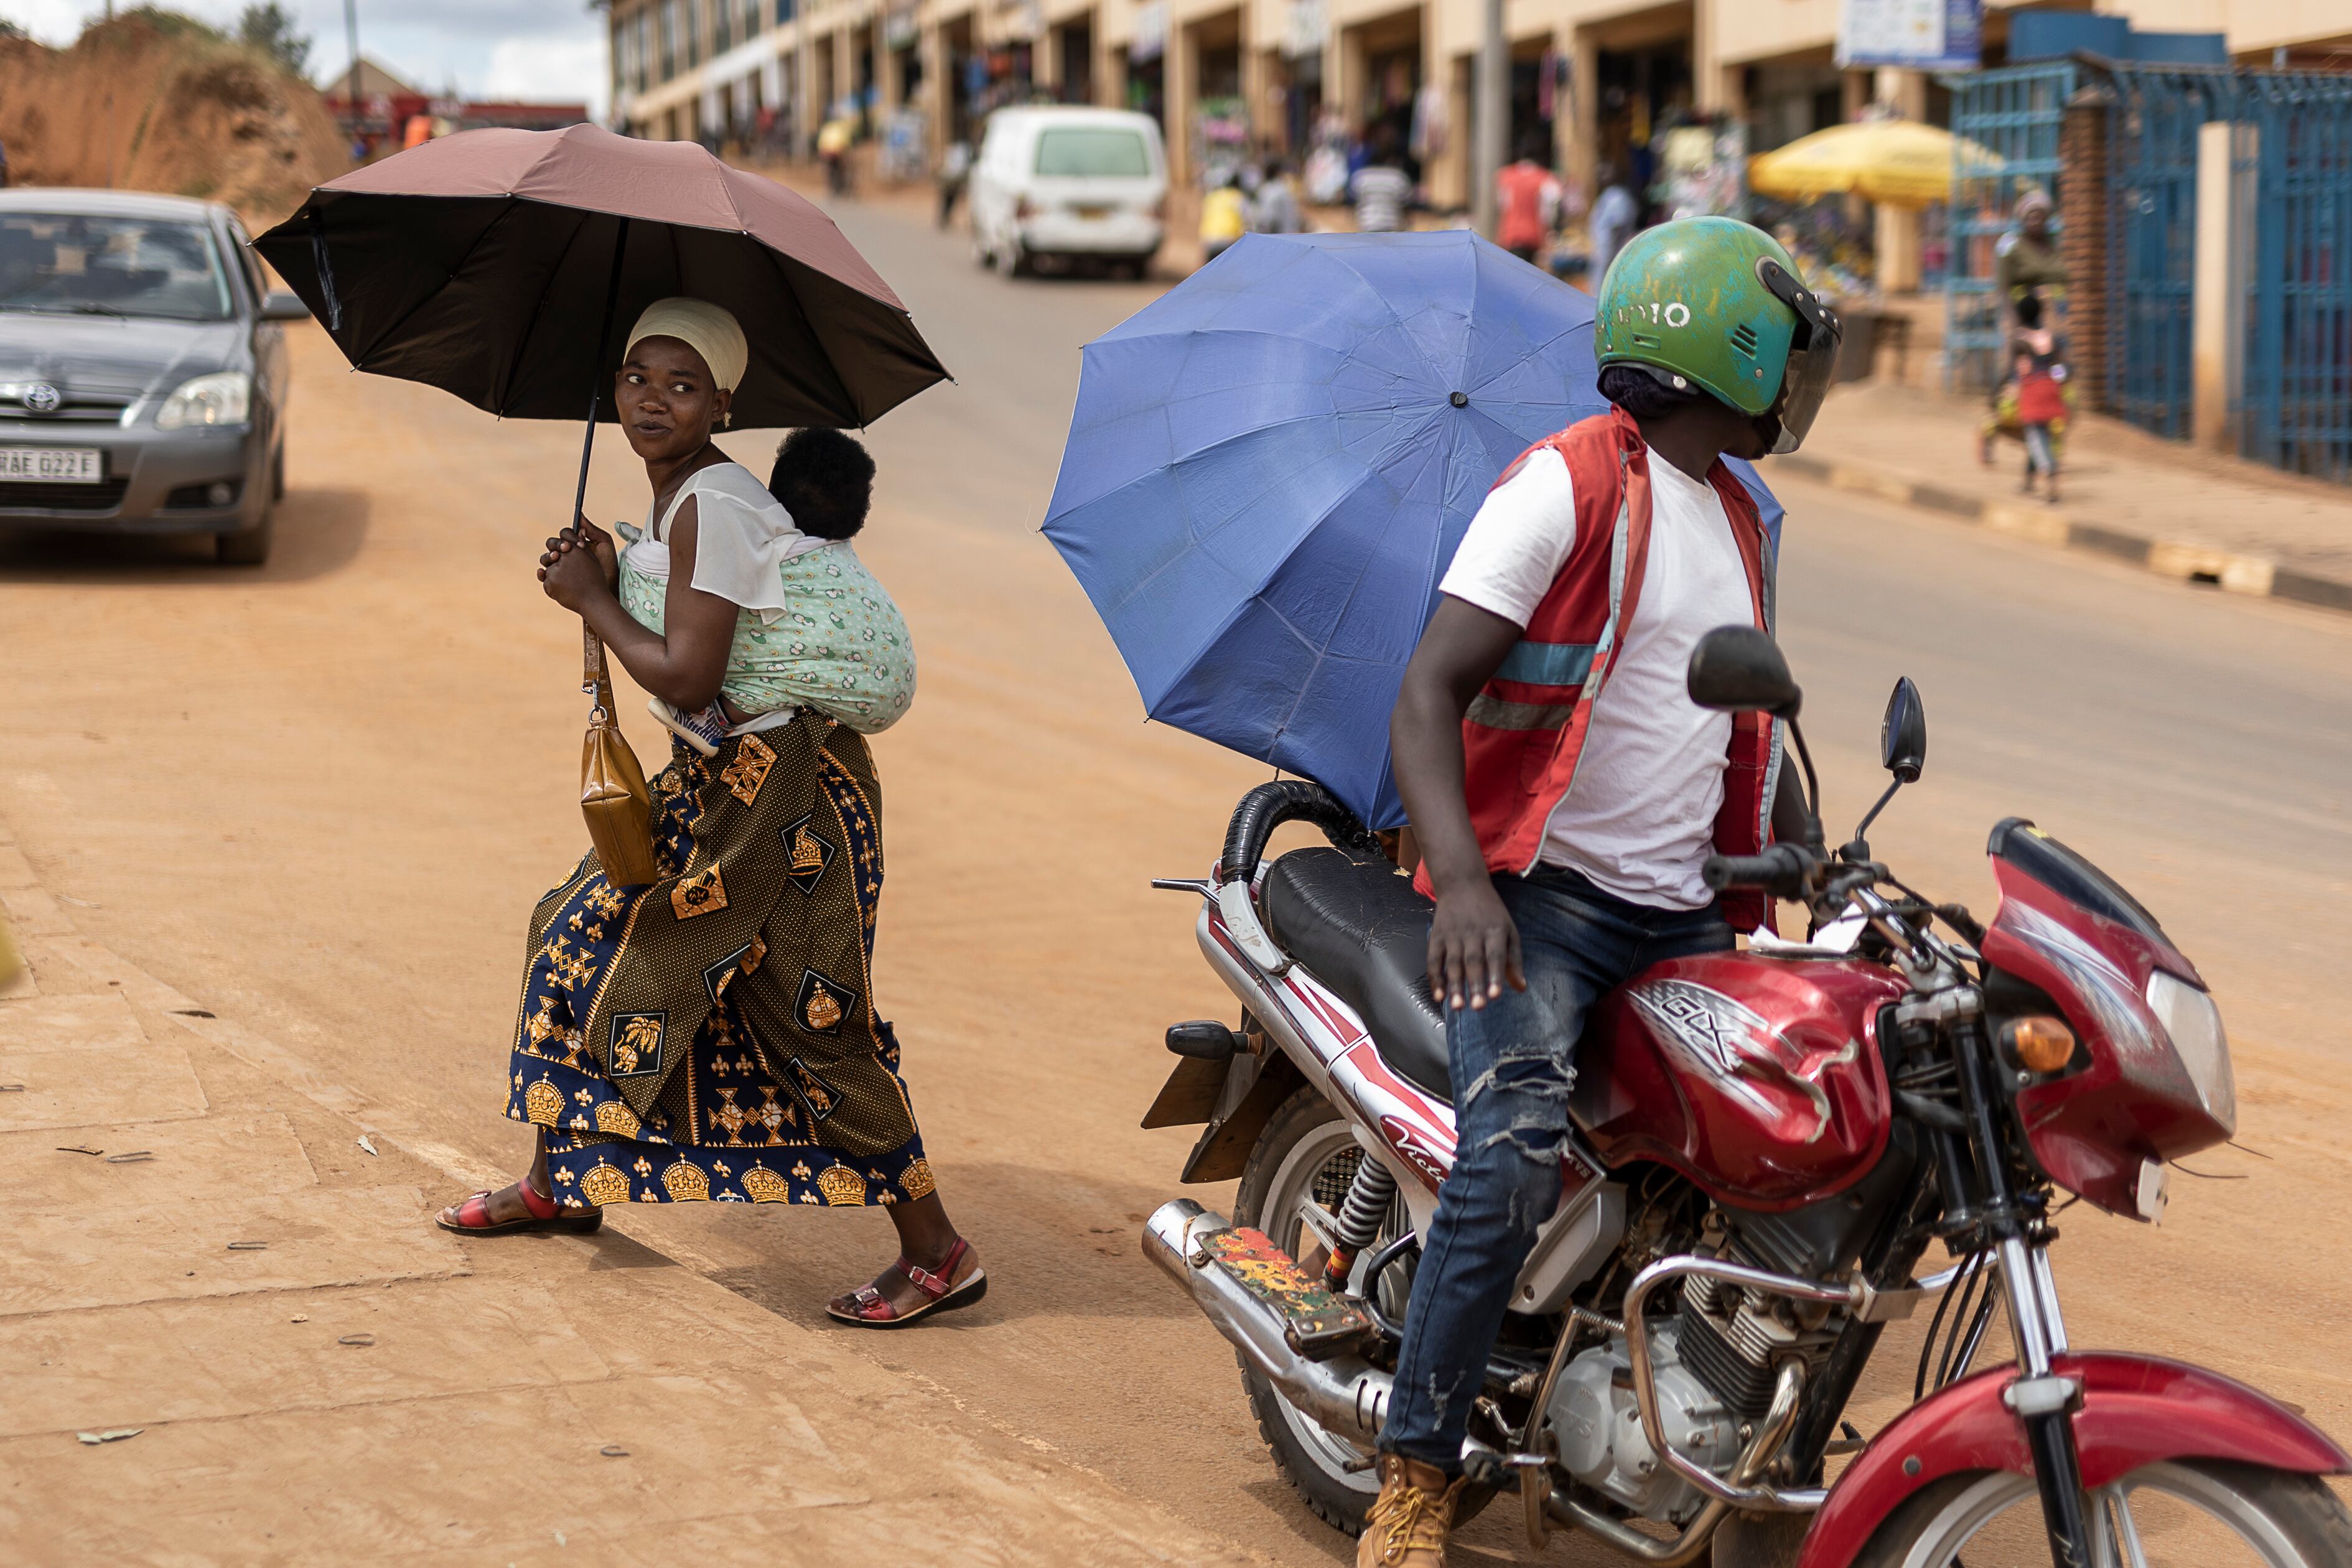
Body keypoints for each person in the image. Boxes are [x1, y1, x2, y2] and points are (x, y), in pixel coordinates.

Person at [1360, 217, 1838, 1566]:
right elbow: (1428, 692)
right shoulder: (1569, 484)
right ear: (1725, 352)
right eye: (1787, 354)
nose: (1798, 386)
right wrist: (1461, 883)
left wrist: (1818, 856)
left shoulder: (1740, 517)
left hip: (1688, 912)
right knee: (1510, 1154)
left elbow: (1734, 718)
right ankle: (1415, 1467)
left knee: (1795, 1137)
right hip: (1549, 904)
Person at [437, 298, 984, 1331]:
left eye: (682, 386)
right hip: (725, 785)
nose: (654, 399)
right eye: (639, 376)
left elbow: (691, 672)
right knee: (572, 936)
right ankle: (565, 1180)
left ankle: (939, 1252)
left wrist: (588, 601)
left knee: (811, 1021)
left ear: (721, 403)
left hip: (790, 805)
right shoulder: (687, 498)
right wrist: (607, 573)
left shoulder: (716, 507)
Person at [2012, 290, 2068, 505]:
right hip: (2052, 388)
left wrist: (2005, 393)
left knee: (2035, 437)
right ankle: (2027, 482)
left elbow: (2016, 371)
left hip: (2032, 391)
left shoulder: (2020, 339)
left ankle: (2050, 474)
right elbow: (2061, 367)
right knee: (2039, 436)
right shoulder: (2049, 337)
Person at [1493, 134, 1562, 265]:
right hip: (1533, 237)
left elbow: (1503, 207)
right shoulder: (1545, 178)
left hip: (1510, 236)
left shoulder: (1505, 176)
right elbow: (1549, 212)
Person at [1349, 124, 1414, 235]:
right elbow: (1407, 204)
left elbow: (1352, 200)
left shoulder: (1360, 177)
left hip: (1366, 228)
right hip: (1392, 230)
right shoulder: (1399, 178)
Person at [1585, 163, 1638, 291]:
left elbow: (1616, 226)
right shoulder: (1609, 195)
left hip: (1610, 254)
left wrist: (1607, 256)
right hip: (1604, 253)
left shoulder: (1617, 197)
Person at [1200, 171, 1249, 263]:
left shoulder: (1212, 197)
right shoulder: (1238, 197)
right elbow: (1246, 221)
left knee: (1211, 270)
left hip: (1210, 239)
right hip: (1230, 239)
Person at [1250, 156, 1304, 236]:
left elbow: (1268, 219)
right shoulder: (1284, 189)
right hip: (1289, 235)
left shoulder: (1267, 190)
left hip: (1275, 236)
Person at [937, 137, 973, 230]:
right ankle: (944, 218)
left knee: (949, 200)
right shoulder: (963, 151)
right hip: (952, 179)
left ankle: (945, 218)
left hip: (951, 179)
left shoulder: (955, 151)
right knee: (948, 199)